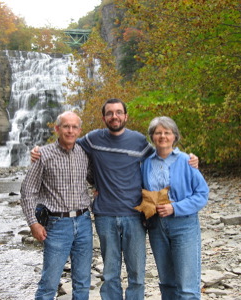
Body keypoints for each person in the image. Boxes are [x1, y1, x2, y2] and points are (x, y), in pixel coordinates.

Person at [32, 99, 199, 299]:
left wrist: (189, 158)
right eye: (110, 113)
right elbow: (67, 141)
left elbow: (162, 154)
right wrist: (38, 151)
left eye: (119, 112)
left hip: (135, 215)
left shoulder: (138, 141)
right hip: (105, 216)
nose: (115, 116)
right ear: (104, 118)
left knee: (136, 273)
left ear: (126, 116)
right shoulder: (93, 139)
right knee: (110, 274)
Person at [20, 111, 93, 300]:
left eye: (74, 127)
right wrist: (33, 223)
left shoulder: (85, 153)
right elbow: (28, 190)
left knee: (83, 282)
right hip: (56, 225)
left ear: (79, 130)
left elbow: (98, 177)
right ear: (57, 129)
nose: (70, 130)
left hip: (84, 222)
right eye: (66, 126)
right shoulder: (42, 154)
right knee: (49, 283)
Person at [141, 116, 209, 300]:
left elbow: (202, 194)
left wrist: (175, 208)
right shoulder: (146, 163)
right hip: (157, 227)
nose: (162, 136)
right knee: (167, 283)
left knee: (187, 286)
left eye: (167, 132)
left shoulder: (187, 161)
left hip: (184, 225)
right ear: (152, 137)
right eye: (158, 133)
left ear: (174, 136)